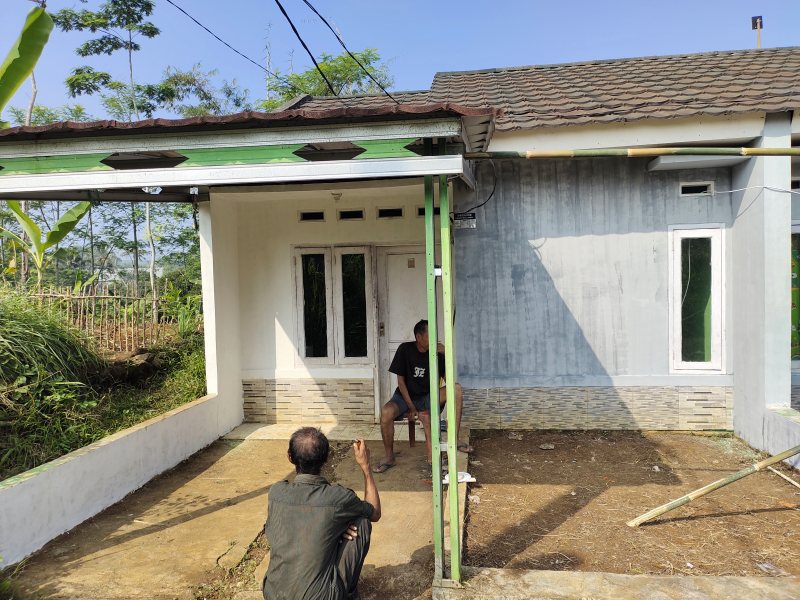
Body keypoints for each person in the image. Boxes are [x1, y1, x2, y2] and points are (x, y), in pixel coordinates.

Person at [263, 427, 381, 600]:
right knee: (362, 522)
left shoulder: (276, 492)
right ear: (327, 457)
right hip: (321, 597)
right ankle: (347, 595)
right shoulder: (339, 498)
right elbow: (374, 512)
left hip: (273, 594)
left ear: (290, 457)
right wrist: (366, 466)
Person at [372, 319, 473, 474]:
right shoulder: (405, 349)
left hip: (428, 397)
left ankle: (455, 438)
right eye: (430, 336)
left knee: (457, 389)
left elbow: (449, 381)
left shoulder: (438, 354)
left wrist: (447, 355)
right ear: (419, 337)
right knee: (386, 412)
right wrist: (411, 406)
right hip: (404, 397)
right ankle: (389, 457)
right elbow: (401, 382)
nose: (435, 340)